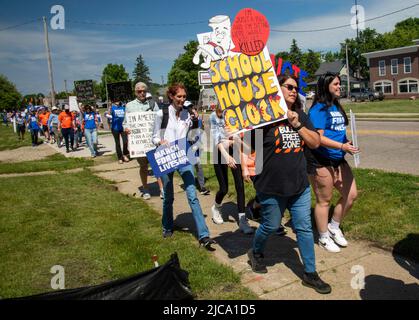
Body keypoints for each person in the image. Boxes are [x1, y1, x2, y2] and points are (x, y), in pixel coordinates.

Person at [245, 74, 331, 294]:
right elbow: (246, 145)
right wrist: (243, 159)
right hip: (271, 186)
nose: (294, 90)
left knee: (303, 227)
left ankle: (310, 273)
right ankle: (255, 252)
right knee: (271, 226)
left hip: (299, 185)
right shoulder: (263, 118)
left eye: (296, 87)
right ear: (277, 89)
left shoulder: (301, 115)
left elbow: (315, 142)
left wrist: (297, 124)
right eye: (289, 87)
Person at [152, 83, 216, 249]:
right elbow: (153, 137)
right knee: (168, 196)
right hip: (166, 156)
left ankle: (204, 235)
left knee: (192, 194)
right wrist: (160, 141)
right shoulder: (161, 113)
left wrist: (196, 121)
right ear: (171, 96)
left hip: (183, 156)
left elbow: (195, 133)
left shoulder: (187, 114)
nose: (182, 99)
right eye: (179, 96)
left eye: (184, 97)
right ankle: (167, 226)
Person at [307, 72, 359, 253]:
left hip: (338, 158)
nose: (339, 86)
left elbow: (337, 131)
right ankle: (323, 237)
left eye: (339, 84)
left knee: (351, 195)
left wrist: (347, 144)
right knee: (324, 200)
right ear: (326, 86)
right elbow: (318, 138)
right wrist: (342, 146)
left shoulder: (335, 106)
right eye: (336, 84)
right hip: (321, 160)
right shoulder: (318, 109)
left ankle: (334, 227)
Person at [210, 103, 253, 234]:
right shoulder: (214, 115)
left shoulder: (236, 114)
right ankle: (216, 207)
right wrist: (226, 156)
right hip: (220, 152)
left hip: (234, 149)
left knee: (240, 185)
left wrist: (235, 143)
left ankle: (242, 219)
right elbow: (217, 140)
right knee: (224, 188)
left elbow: (239, 136)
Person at [124, 82, 160, 200]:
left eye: (144, 91)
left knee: (157, 166)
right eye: (139, 91)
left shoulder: (153, 103)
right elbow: (125, 123)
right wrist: (126, 129)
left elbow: (159, 119)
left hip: (152, 141)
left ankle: (162, 189)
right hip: (139, 144)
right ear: (135, 92)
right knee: (143, 167)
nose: (142, 93)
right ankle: (145, 189)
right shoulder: (129, 106)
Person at [184, 101, 210, 195]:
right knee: (190, 166)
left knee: (198, 166)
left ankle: (202, 186)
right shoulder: (184, 120)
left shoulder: (197, 119)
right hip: (187, 145)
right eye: (187, 108)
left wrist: (201, 125)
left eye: (191, 107)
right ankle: (192, 186)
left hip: (197, 145)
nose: (190, 110)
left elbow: (200, 131)